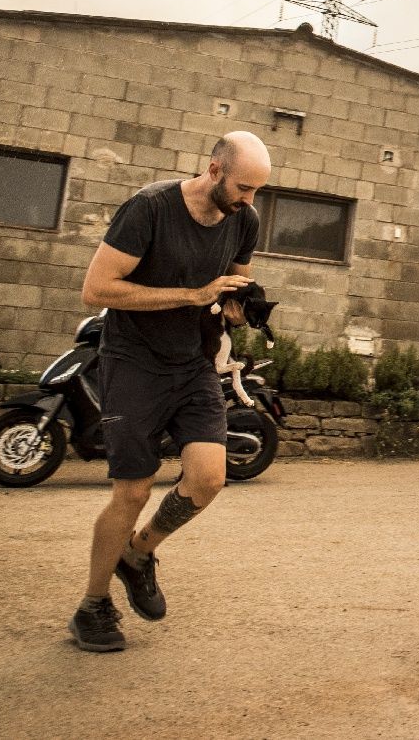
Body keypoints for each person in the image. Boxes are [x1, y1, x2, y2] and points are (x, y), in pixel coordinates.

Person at [68, 131, 270, 652]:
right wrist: (191, 294)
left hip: (194, 362)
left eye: (257, 192)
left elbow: (233, 284)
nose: (251, 202)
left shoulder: (244, 219)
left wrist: (240, 306)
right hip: (133, 363)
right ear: (215, 170)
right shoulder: (149, 209)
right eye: (245, 188)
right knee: (133, 490)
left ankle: (138, 555)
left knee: (208, 478)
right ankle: (92, 606)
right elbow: (97, 289)